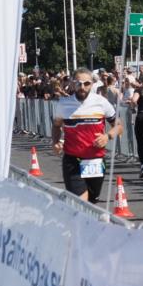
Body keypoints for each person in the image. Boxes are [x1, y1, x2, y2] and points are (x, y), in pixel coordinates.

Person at [51, 67, 123, 204]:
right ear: (72, 83)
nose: (82, 87)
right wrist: (55, 141)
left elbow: (119, 126)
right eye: (78, 83)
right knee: (80, 202)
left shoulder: (101, 102)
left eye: (87, 83)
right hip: (72, 159)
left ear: (92, 84)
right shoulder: (64, 104)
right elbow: (56, 125)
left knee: (92, 201)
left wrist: (107, 136)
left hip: (95, 160)